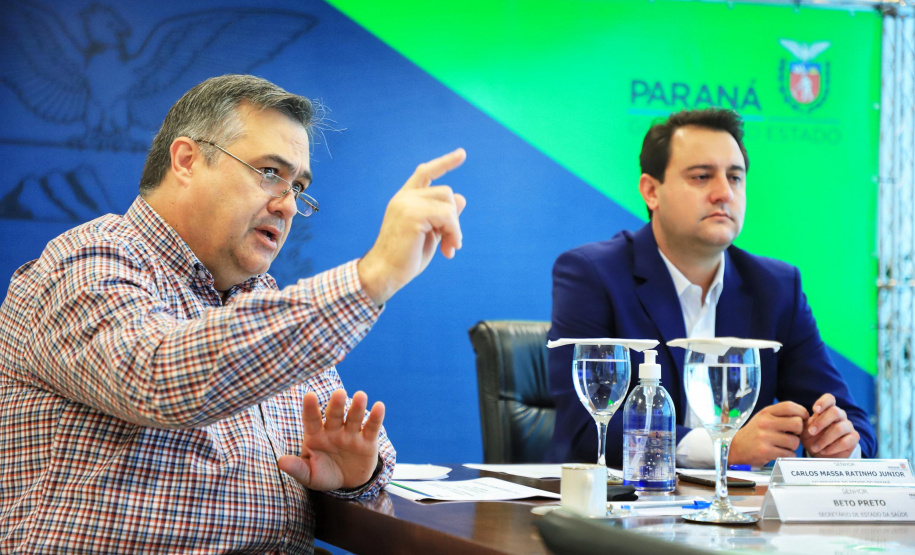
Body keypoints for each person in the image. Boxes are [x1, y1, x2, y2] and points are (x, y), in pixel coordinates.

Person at [0, 74, 467, 553]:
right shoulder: (88, 259)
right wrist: (373, 275)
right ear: (187, 160)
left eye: (298, 186)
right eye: (270, 172)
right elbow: (157, 376)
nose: (287, 205)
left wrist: (355, 473)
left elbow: (370, 449)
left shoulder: (260, 299)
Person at [546, 107, 876, 469]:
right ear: (651, 191)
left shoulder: (777, 288)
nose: (723, 193)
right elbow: (586, 428)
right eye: (702, 177)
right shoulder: (593, 275)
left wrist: (839, 442)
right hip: (619, 512)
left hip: (739, 517)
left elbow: (851, 421)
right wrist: (723, 447)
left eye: (735, 178)